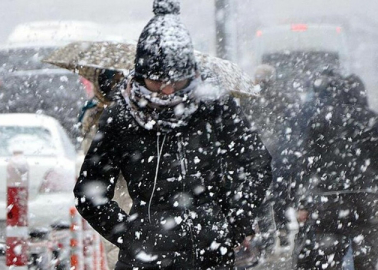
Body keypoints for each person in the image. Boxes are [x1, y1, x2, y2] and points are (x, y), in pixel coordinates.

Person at [73, 0, 273, 269]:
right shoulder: (121, 117)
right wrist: (131, 236)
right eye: (156, 81)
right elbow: (90, 193)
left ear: (191, 74)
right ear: (141, 75)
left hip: (210, 255)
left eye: (176, 82)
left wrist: (233, 223)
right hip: (144, 259)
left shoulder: (215, 107)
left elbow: (256, 163)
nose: (166, 92)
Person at [292, 72, 378, 270]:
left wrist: (303, 202)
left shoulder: (320, 120)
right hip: (365, 196)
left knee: (328, 257)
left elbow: (306, 163)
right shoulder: (371, 120)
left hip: (327, 199)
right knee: (366, 256)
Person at [245, 64, 299, 254]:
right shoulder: (282, 96)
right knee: (281, 195)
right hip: (279, 153)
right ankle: (283, 232)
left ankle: (268, 240)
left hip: (259, 153)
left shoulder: (249, 97)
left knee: (263, 198)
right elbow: (291, 124)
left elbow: (247, 124)